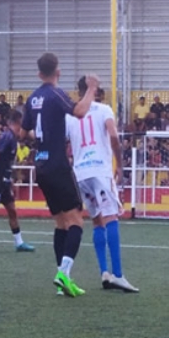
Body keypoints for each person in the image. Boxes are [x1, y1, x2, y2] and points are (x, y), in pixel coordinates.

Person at [21, 52, 99, 298]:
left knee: (60, 222)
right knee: (76, 220)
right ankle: (64, 273)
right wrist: (91, 88)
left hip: (41, 166)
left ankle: (62, 280)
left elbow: (23, 134)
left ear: (38, 73)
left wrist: (43, 138)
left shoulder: (32, 98)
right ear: (58, 72)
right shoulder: (55, 94)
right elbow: (79, 111)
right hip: (57, 164)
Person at [65, 76, 138, 293]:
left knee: (97, 221)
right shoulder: (104, 110)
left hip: (80, 173)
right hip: (99, 170)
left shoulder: (70, 116)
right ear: (94, 91)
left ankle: (104, 272)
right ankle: (118, 275)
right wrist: (119, 163)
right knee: (111, 216)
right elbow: (114, 136)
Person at [0, 111, 34, 254]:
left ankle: (19, 242)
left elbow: (8, 162)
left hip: (5, 180)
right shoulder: (7, 136)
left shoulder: (13, 138)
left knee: (12, 211)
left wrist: (11, 179)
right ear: (17, 123)